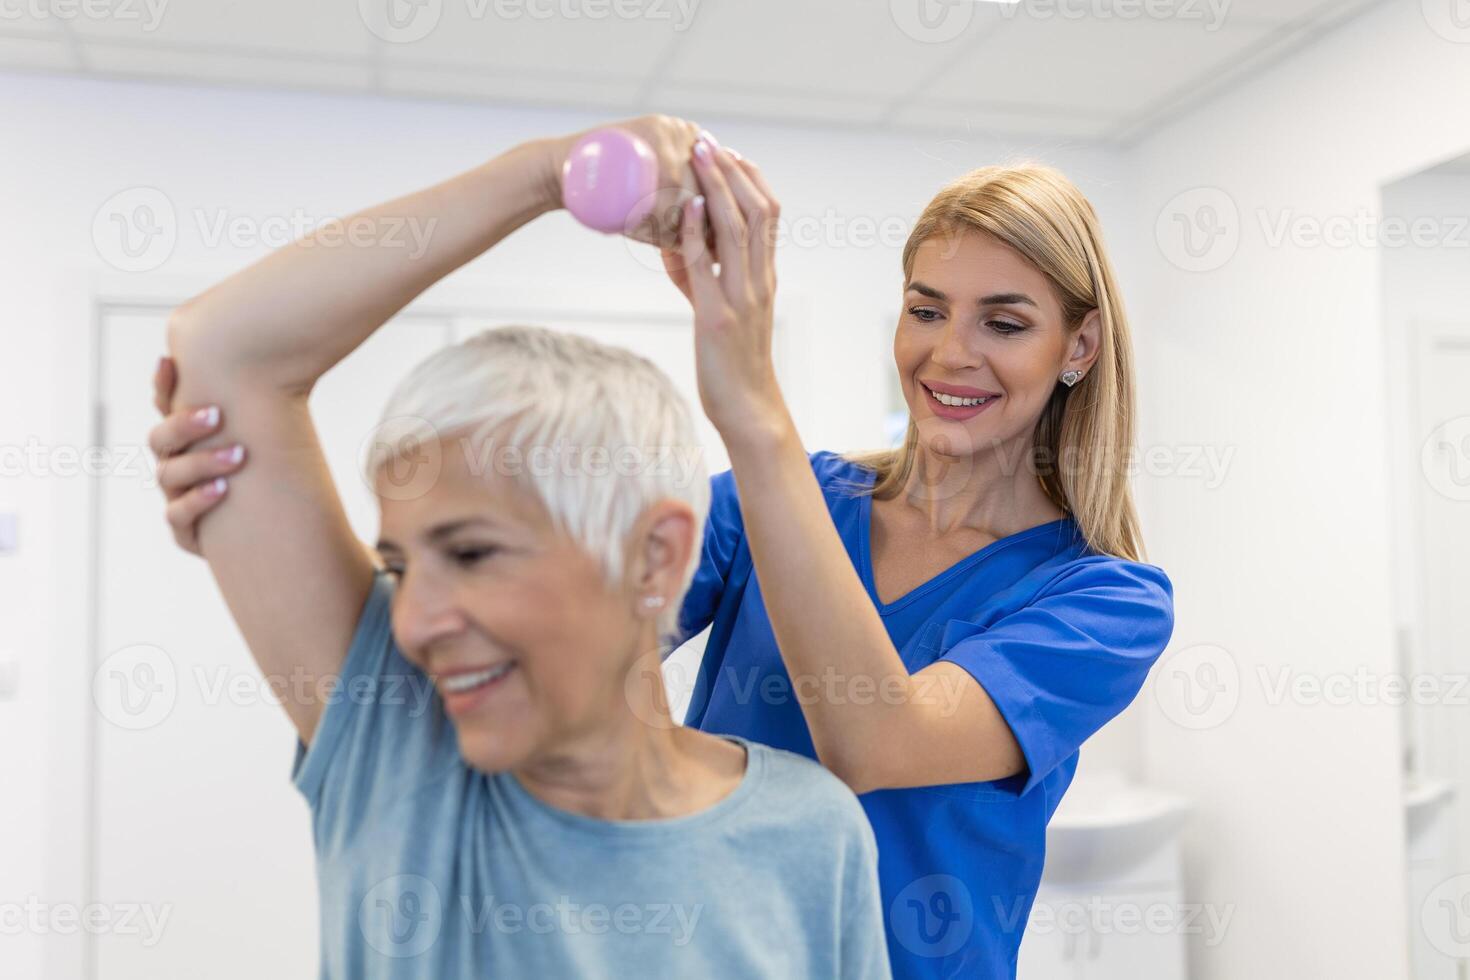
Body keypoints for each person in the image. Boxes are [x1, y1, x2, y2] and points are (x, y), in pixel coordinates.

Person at [155, 126, 1175, 980]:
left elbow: (876, 741)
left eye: (1004, 321)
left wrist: (749, 401)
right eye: (925, 309)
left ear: (1077, 347)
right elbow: (579, 610)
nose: (952, 352)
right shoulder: (794, 502)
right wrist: (271, 506)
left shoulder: (1103, 598)